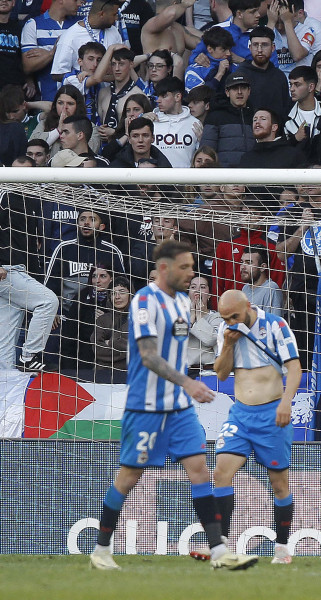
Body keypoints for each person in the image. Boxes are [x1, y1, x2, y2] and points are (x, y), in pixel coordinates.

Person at [89, 240, 256, 571]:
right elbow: (149, 356)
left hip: (178, 408)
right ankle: (101, 550)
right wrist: (189, 382)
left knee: (199, 471)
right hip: (146, 407)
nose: (191, 273)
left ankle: (219, 552)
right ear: (164, 268)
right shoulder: (144, 302)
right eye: (185, 267)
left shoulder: (182, 302)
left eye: (193, 267)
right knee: (129, 476)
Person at [212, 288, 302, 565]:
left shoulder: (276, 325)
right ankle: (222, 549)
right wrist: (227, 344)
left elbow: (295, 368)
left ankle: (283, 548)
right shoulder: (225, 330)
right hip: (240, 415)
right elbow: (222, 372)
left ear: (248, 306)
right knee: (220, 473)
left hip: (271, 415)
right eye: (225, 318)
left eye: (234, 316)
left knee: (279, 484)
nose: (230, 322)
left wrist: (286, 402)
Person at [0, 170, 59, 371]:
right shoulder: (4, 198)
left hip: (16, 274)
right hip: (7, 272)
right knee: (48, 301)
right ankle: (28, 356)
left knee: (5, 346)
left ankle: (6, 392)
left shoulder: (28, 205)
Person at [234, 26, 291, 120]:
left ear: (273, 48)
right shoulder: (240, 75)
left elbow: (285, 108)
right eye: (256, 45)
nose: (259, 50)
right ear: (250, 47)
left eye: (264, 45)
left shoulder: (279, 76)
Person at [93, 276, 133, 375]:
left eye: (122, 292)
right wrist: (123, 347)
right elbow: (97, 348)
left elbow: (136, 346)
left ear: (130, 294)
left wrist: (110, 343)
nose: (117, 297)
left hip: (130, 373)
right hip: (104, 374)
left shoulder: (139, 318)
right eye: (113, 293)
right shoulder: (102, 320)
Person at [187, 274, 223, 369]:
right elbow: (178, 339)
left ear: (209, 295)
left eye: (202, 287)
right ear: (189, 293)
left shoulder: (216, 317)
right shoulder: (180, 317)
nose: (197, 290)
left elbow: (211, 339)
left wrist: (200, 316)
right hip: (185, 370)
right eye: (193, 287)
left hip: (208, 371)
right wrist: (191, 319)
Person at [239, 244, 283, 316]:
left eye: (248, 262)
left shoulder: (271, 288)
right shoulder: (245, 288)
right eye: (242, 262)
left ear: (262, 267)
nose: (242, 267)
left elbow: (274, 324)